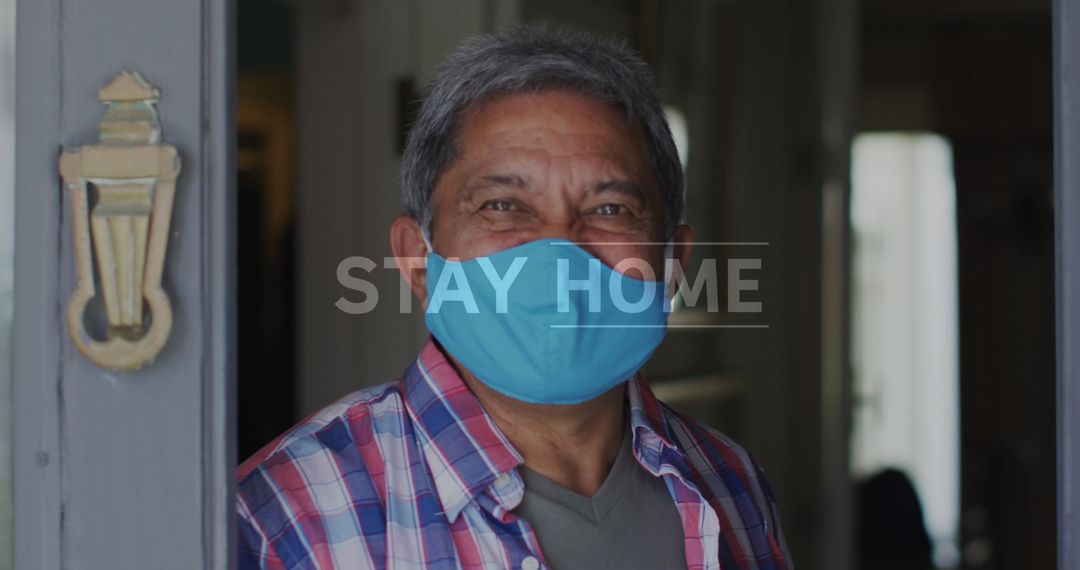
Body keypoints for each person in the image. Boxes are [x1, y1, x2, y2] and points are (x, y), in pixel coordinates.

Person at [237, 25, 792, 570]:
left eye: (609, 209)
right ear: (417, 260)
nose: (556, 255)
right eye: (503, 206)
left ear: (673, 263)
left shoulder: (730, 481)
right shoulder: (284, 515)